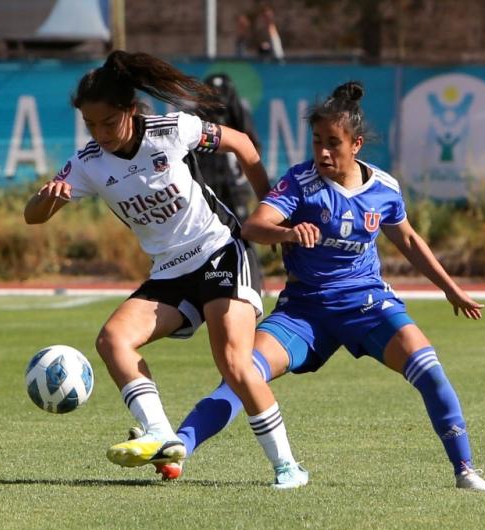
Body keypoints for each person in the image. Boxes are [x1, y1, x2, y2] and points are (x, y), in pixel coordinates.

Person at [145, 81, 485, 491]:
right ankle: (178, 448)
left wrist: (450, 289)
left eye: (334, 142)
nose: (323, 152)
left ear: (356, 144)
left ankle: (465, 470)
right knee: (242, 375)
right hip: (302, 312)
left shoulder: (383, 189)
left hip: (367, 305)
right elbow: (256, 226)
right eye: (317, 141)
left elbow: (411, 241)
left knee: (429, 369)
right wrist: (290, 233)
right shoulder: (300, 183)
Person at [23, 50, 308, 489]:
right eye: (90, 126)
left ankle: (287, 466)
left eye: (107, 123)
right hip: (170, 273)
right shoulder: (88, 162)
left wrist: (273, 212)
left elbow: (245, 146)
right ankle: (160, 434)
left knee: (233, 360)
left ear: (131, 110)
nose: (100, 134)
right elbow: (32, 216)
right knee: (113, 339)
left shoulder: (172, 130)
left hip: (219, 251)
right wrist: (49, 198)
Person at [196, 73, 260, 222]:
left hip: (234, 185)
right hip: (208, 182)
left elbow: (252, 144)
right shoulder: (197, 120)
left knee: (241, 227)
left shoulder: (238, 116)